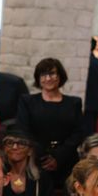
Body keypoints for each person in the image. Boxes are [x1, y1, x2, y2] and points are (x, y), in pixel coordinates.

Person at [16, 57, 84, 186]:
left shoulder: (74, 103)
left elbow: (78, 132)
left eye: (52, 73)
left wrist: (58, 158)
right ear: (38, 78)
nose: (48, 78)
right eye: (43, 74)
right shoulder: (27, 101)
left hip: (66, 159)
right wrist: (44, 157)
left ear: (60, 76)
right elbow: (23, 130)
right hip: (36, 160)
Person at [1, 125, 54, 196]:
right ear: (4, 149)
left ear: (30, 151)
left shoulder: (42, 179)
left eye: (21, 143)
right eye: (10, 143)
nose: (15, 147)